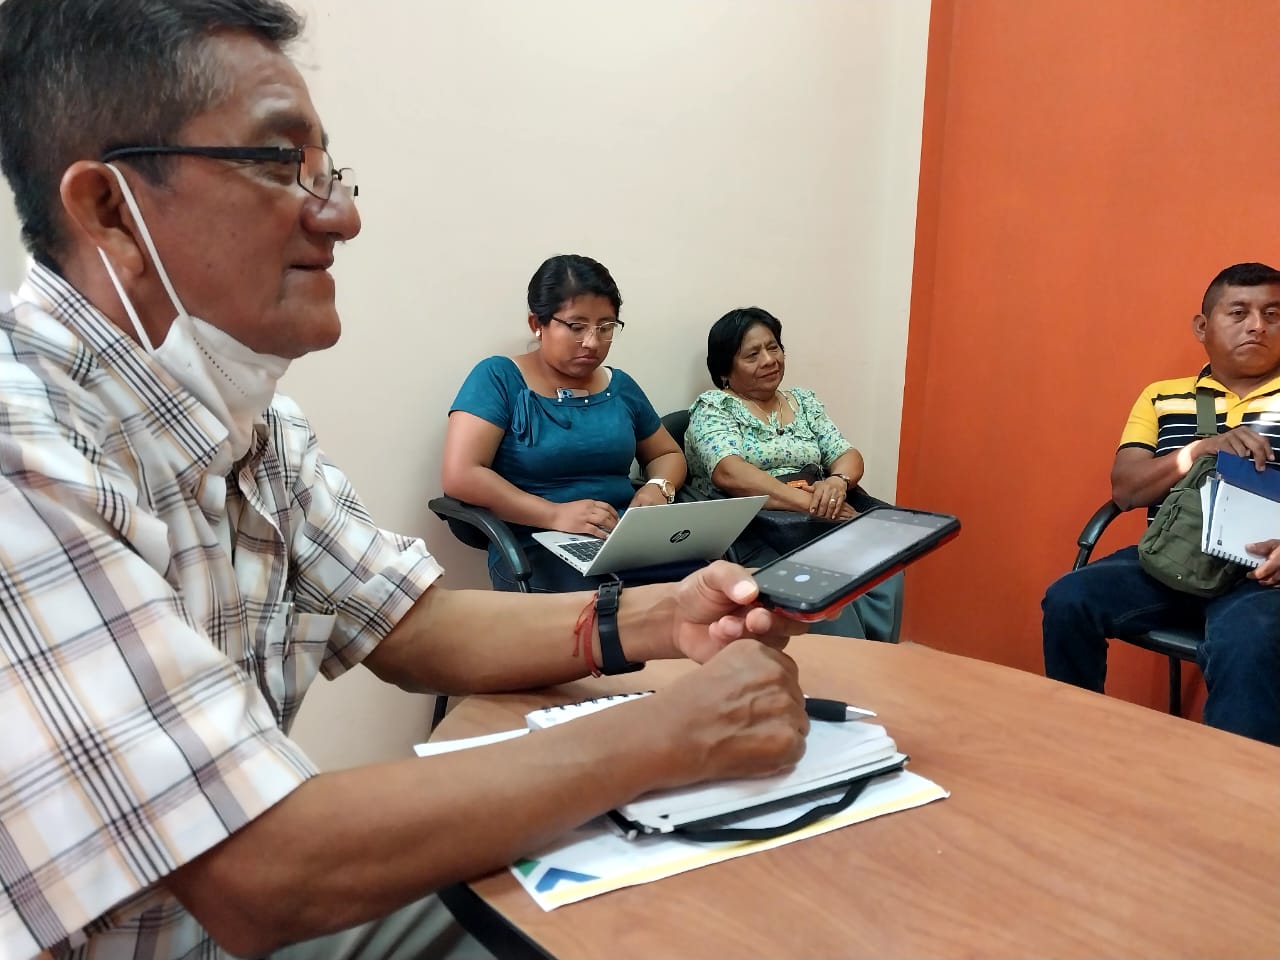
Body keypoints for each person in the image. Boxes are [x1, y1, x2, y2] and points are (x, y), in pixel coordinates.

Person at [0, 3, 812, 958]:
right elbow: (261, 871)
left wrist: (662, 617)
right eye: (280, 165)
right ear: (109, 209)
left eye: (327, 170)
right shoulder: (24, 443)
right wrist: (667, 734)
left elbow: (409, 623)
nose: (341, 215)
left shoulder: (258, 426)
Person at [1042, 261, 1280, 747]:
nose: (1257, 325)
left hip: (1262, 577)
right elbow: (1126, 490)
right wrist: (1201, 450)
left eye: (1273, 314)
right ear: (1203, 326)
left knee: (1247, 642)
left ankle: (1235, 785)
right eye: (1239, 312)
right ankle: (1074, 744)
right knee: (1068, 599)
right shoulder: (1162, 398)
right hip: (1169, 563)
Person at [442, 254, 687, 593]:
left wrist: (657, 487)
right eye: (576, 326)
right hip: (537, 544)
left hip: (624, 540)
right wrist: (555, 514)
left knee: (712, 590)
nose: (592, 342)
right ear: (537, 323)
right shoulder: (499, 377)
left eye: (605, 327)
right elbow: (461, 474)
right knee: (617, 610)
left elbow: (667, 454)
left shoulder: (620, 386)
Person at [684, 306, 905, 642]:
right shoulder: (715, 406)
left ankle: (875, 657)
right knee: (822, 580)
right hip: (754, 528)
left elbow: (846, 454)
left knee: (882, 555)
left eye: (773, 347)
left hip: (816, 514)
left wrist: (836, 483)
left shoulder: (803, 402)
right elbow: (730, 473)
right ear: (725, 369)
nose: (769, 360)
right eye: (752, 355)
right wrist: (811, 505)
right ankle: (840, 664)